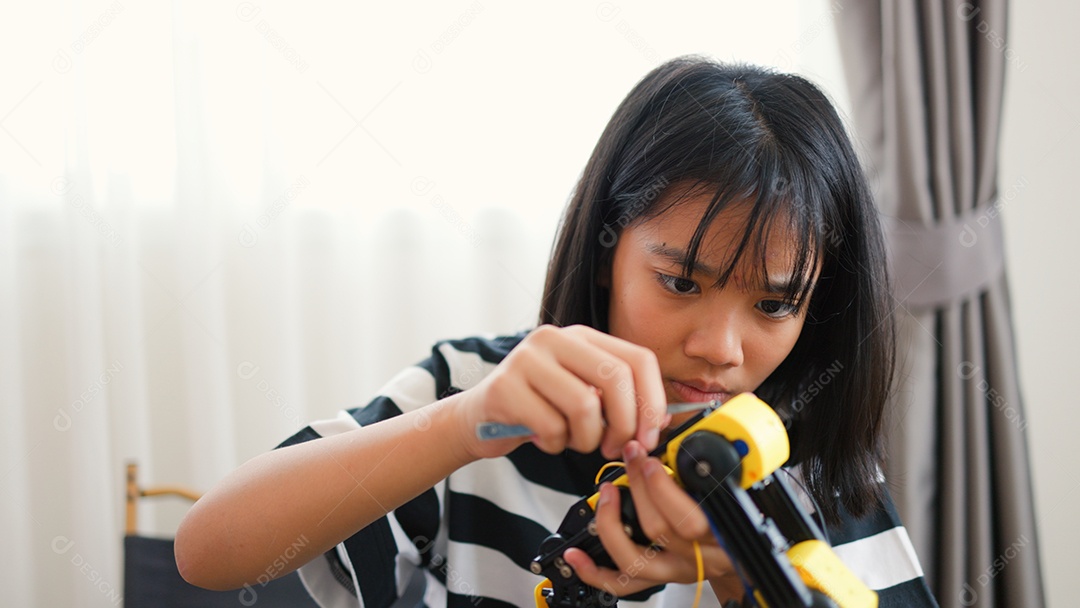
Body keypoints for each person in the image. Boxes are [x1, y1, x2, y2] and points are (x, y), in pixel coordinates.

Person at [175, 56, 939, 607]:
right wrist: (463, 426)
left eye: (774, 305)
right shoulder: (482, 392)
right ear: (608, 248)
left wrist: (744, 575)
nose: (722, 348)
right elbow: (208, 551)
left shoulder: (805, 465)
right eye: (680, 283)